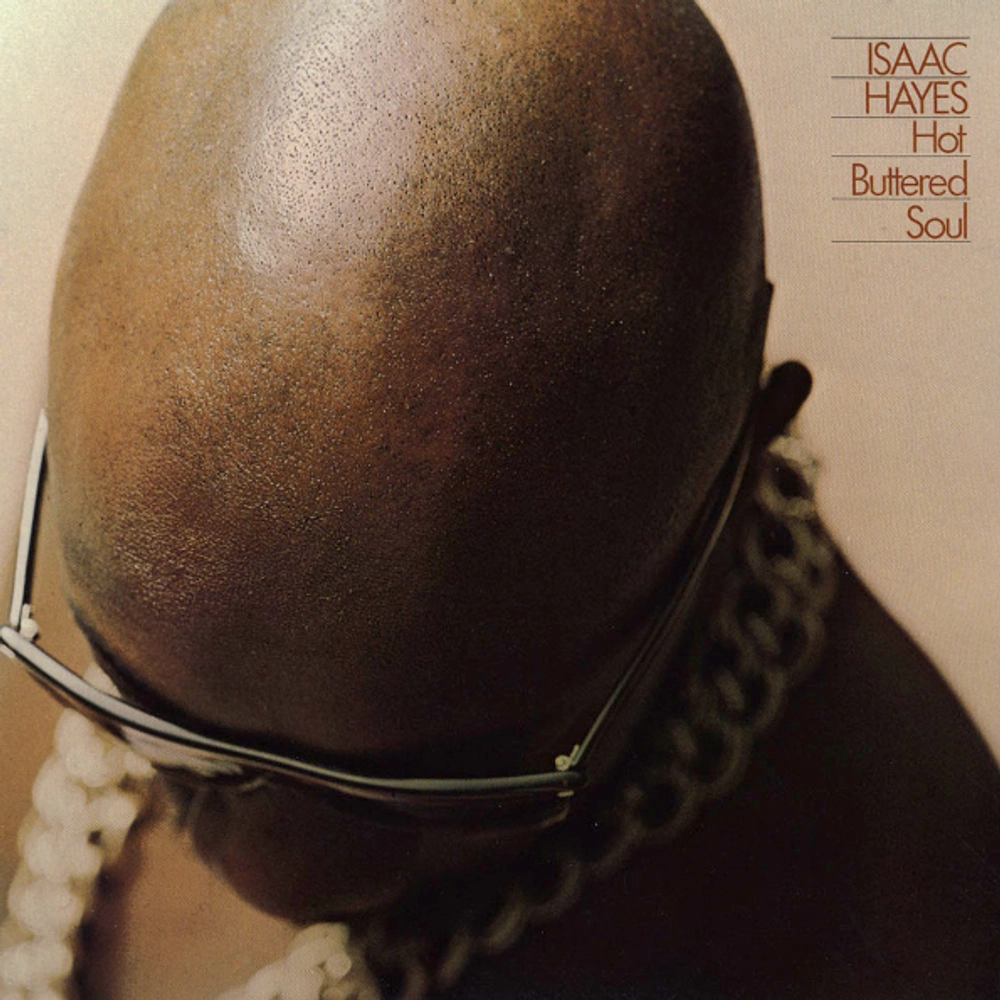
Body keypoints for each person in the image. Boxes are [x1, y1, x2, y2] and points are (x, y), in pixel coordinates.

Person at [1, 1, 998, 997]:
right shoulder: (131, 444)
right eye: (141, 703)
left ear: (742, 449)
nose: (281, 879)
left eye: (443, 784)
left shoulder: (908, 944)